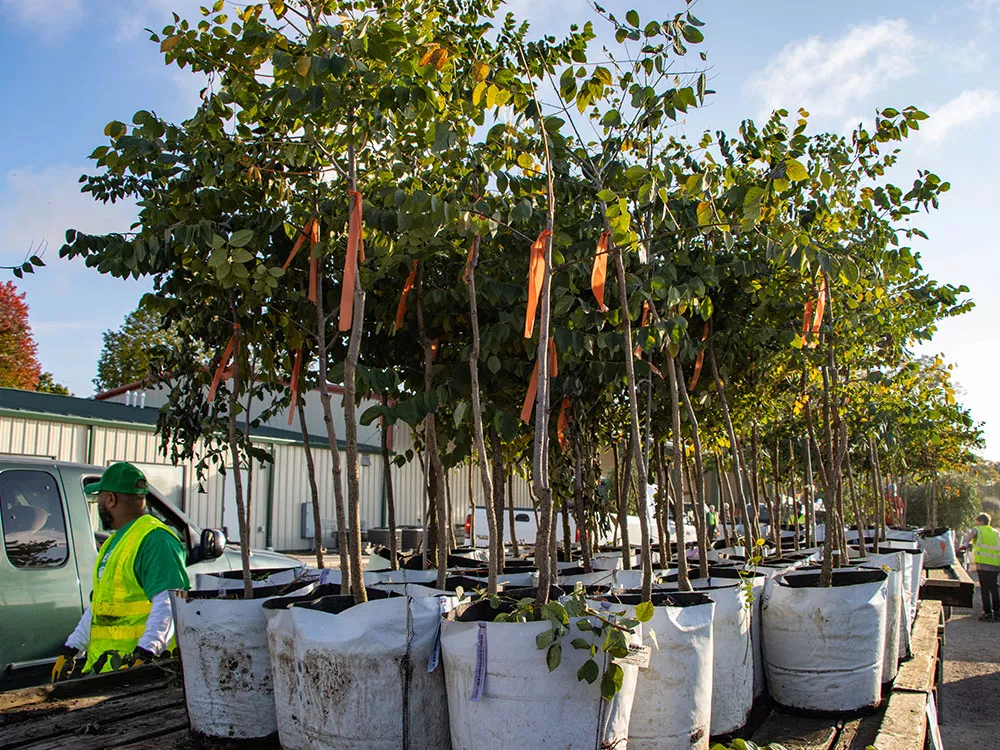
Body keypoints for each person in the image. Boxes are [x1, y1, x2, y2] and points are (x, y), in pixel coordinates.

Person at [51, 462, 191, 681]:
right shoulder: (115, 541)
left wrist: (146, 653)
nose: (98, 505)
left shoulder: (156, 540)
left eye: (99, 498)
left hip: (141, 673)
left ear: (110, 500)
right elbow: (101, 606)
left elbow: (169, 602)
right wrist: (72, 647)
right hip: (110, 669)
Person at [959, 512, 1000, 622]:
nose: (976, 523)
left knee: (985, 589)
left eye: (977, 521)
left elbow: (967, 538)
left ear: (981, 522)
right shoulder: (996, 532)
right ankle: (997, 612)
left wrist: (964, 545)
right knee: (994, 588)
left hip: (983, 564)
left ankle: (987, 613)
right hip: (996, 564)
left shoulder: (978, 529)